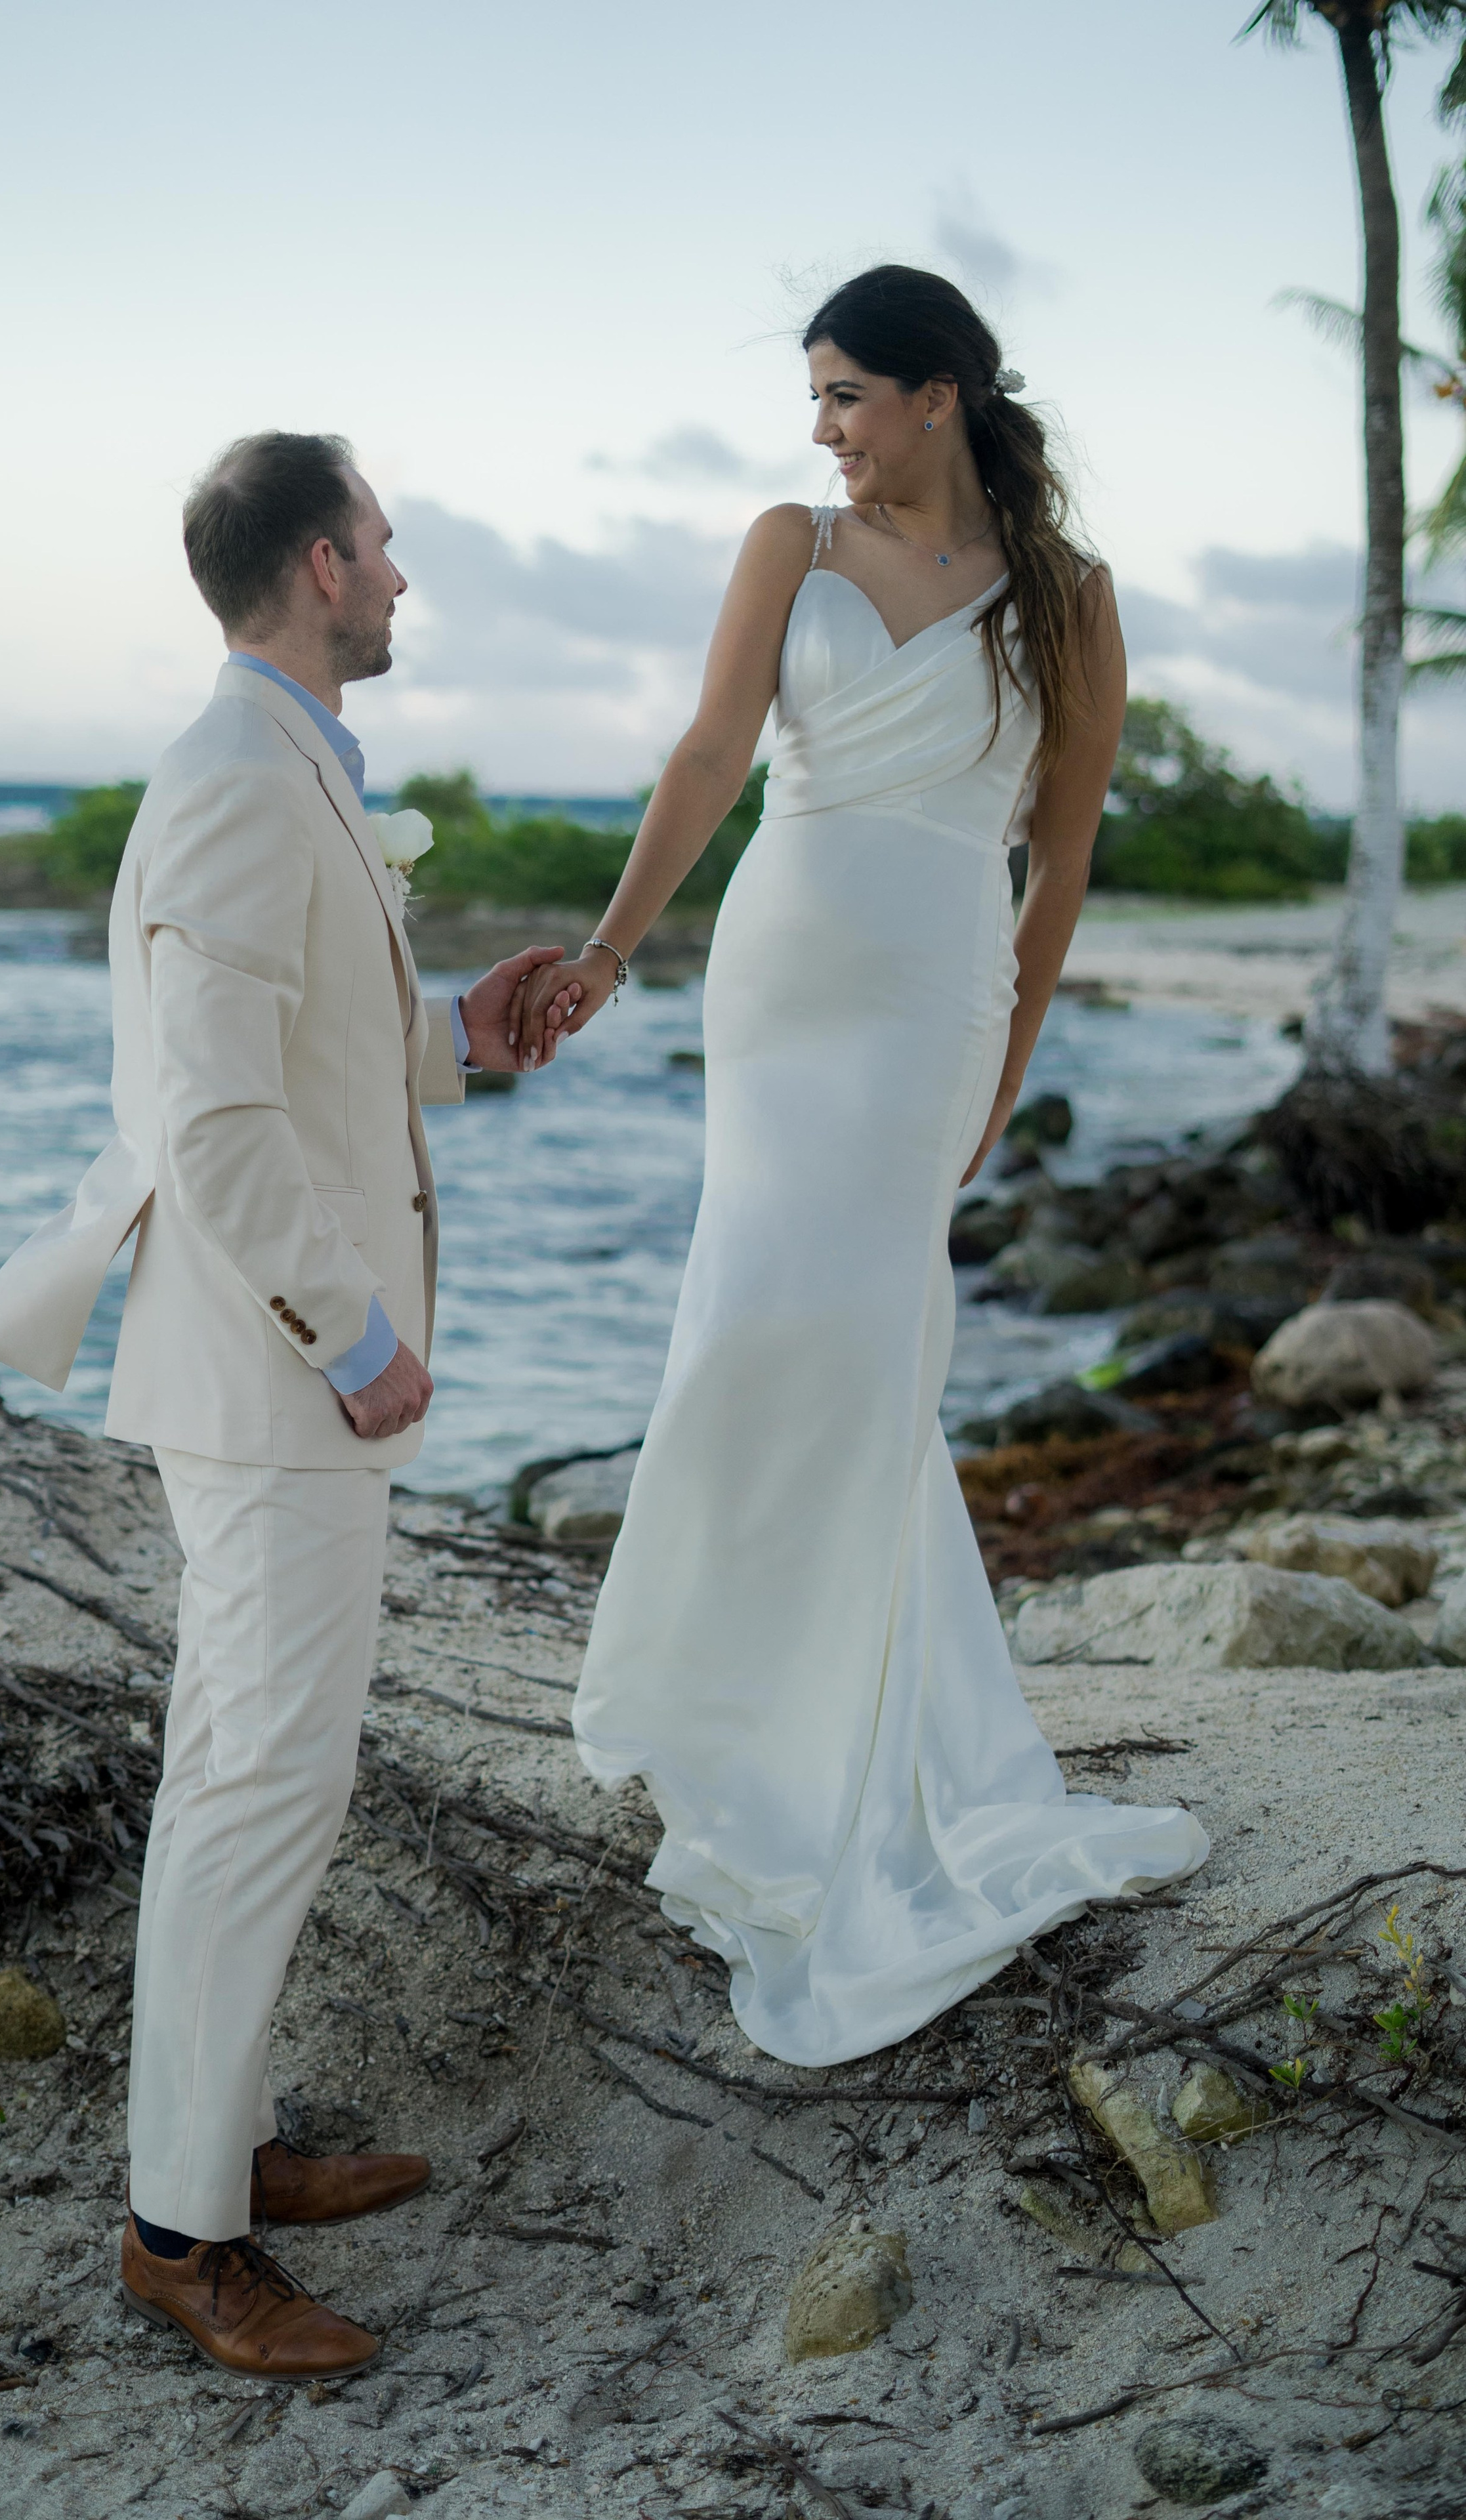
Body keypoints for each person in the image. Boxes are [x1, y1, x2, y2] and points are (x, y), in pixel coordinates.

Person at [516, 267, 1209, 2070]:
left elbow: (1057, 869)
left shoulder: (1071, 602)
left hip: (932, 1005)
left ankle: (849, 1736)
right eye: (816, 397)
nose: (820, 427)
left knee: (871, 1345)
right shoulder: (790, 548)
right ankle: (720, 1702)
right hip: (783, 981)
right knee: (755, 1323)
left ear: (939, 393)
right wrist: (605, 953)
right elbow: (704, 757)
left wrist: (1011, 1062)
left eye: (844, 394)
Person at [0, 430, 577, 2376]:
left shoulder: (284, 764)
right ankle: (180, 2240)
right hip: (269, 1377)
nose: (401, 577)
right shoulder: (235, 777)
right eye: (384, 546)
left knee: (238, 1776)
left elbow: (297, 1043)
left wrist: (453, 1036)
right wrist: (354, 1335)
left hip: (268, 1376)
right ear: (320, 561)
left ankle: (212, 2149)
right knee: (260, 1787)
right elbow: (212, 1114)